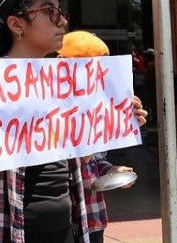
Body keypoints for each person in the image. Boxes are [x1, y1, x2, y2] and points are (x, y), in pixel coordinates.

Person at [0, 0, 147, 243]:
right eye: (48, 12)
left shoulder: (68, 80)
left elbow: (78, 153)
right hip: (6, 231)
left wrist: (117, 125)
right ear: (16, 23)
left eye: (61, 12)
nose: (62, 21)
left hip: (68, 226)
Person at [57, 30, 140, 243]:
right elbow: (56, 167)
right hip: (61, 220)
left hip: (93, 216)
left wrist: (111, 171)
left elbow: (94, 161)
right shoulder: (48, 111)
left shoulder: (98, 107)